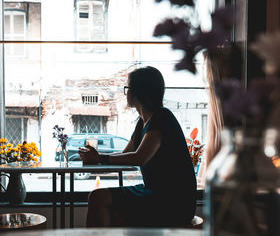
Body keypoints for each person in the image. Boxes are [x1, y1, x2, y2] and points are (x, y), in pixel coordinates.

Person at [78, 66, 197, 227]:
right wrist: (96, 157)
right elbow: (125, 154)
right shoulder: (142, 123)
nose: (126, 92)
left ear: (140, 92)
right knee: (100, 197)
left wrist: (99, 158)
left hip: (173, 200)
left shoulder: (162, 117)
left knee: (98, 198)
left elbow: (140, 157)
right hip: (154, 191)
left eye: (128, 88)